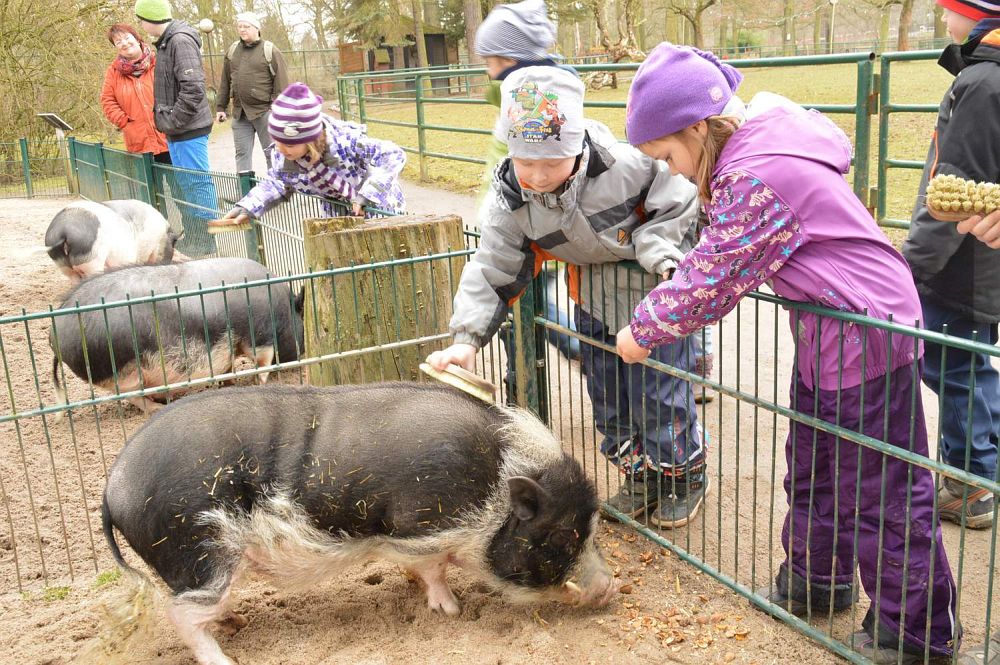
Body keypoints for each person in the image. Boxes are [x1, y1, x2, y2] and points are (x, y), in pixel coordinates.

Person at [615, 43, 961, 662]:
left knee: (880, 486)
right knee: (815, 460)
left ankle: (916, 633)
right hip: (829, 325)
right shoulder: (752, 152)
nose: (668, 170)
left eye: (667, 155)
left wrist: (643, 329)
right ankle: (815, 580)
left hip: (867, 327)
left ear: (700, 126)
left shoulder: (758, 173)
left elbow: (714, 275)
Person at [426, 66, 710, 529]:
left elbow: (679, 196)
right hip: (594, 301)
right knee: (608, 398)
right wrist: (466, 338)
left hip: (654, 301)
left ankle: (682, 476)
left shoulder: (626, 165)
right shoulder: (511, 199)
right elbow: (493, 266)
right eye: (525, 161)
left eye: (552, 162)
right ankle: (640, 475)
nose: (537, 176)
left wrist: (658, 246)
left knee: (659, 396)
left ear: (578, 147)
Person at [902, 0, 1000, 531]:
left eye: (951, 9)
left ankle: (969, 483)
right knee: (972, 364)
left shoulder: (983, 82)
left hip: (961, 263)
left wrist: (913, 264)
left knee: (953, 367)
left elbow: (955, 185)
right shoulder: (985, 74)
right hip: (981, 262)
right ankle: (987, 462)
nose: (944, 20)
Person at [474, 0, 583, 388]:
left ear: (512, 61)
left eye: (491, 61)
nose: (487, 71)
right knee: (521, 310)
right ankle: (521, 379)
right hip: (511, 223)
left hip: (529, 227)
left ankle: (564, 357)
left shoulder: (532, 108)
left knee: (533, 306)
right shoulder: (511, 98)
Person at [208, 82, 405, 228]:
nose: (282, 149)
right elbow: (277, 182)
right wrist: (248, 207)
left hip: (378, 207)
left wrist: (367, 194)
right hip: (339, 213)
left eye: (289, 143)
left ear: (310, 139)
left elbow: (394, 154)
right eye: (277, 141)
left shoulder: (346, 142)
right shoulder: (283, 156)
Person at [135, 0, 218, 256]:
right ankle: (194, 234)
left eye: (141, 19)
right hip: (178, 130)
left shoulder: (179, 41)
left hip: (188, 129)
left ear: (151, 18)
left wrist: (173, 120)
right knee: (186, 183)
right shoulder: (166, 41)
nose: (140, 24)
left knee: (198, 183)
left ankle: (207, 238)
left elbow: (193, 88)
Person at [215, 11, 289, 173]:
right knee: (241, 154)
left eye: (246, 26)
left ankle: (276, 189)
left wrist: (277, 109)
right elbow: (225, 81)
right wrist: (221, 107)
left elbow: (282, 83)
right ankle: (246, 192)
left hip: (265, 113)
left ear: (256, 28)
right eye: (240, 26)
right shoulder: (233, 51)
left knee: (272, 154)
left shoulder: (270, 51)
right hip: (240, 113)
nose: (242, 30)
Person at [100, 24, 171, 169]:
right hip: (139, 142)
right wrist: (124, 121)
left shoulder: (159, 61)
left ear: (137, 38)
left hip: (168, 136)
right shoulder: (113, 72)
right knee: (150, 190)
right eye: (118, 42)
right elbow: (107, 100)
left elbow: (174, 89)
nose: (124, 43)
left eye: (127, 38)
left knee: (178, 186)